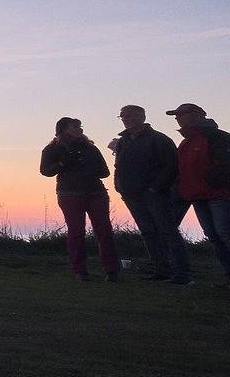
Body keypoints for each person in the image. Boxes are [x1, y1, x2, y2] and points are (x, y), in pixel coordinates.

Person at [113, 105, 188, 283]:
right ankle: (161, 270)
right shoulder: (123, 141)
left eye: (129, 115)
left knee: (167, 231)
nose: (125, 119)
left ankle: (182, 273)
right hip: (132, 195)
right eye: (122, 116)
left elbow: (172, 166)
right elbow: (119, 165)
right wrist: (119, 186)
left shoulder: (159, 139)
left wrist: (155, 188)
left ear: (142, 117)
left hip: (155, 194)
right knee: (148, 232)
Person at [40, 117, 119, 281]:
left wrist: (88, 169)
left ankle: (111, 270)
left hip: (95, 192)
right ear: (63, 130)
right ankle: (80, 270)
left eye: (80, 126)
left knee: (104, 230)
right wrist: (63, 163)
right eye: (74, 127)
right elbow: (45, 171)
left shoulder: (90, 148)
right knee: (76, 231)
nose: (79, 129)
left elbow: (105, 172)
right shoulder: (52, 149)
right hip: (70, 193)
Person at [169, 103, 230, 287]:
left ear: (197, 115)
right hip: (196, 195)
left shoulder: (217, 137)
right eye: (177, 115)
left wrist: (212, 181)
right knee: (213, 235)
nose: (178, 118)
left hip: (219, 195)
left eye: (182, 114)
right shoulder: (186, 142)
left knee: (224, 233)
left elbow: (225, 165)